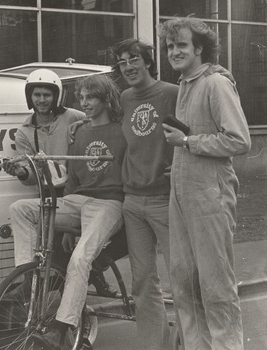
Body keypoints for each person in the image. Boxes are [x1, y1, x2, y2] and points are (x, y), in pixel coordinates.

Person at [10, 74, 126, 350]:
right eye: (82, 98)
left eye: (91, 98)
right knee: (21, 209)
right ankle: (27, 277)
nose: (84, 103)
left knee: (79, 259)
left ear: (106, 98)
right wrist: (63, 225)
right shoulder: (79, 130)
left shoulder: (120, 130)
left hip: (109, 203)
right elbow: (71, 180)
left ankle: (61, 329)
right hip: (76, 199)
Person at [159, 17, 251, 350]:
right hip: (183, 195)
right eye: (170, 46)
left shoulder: (215, 83)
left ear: (199, 48)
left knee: (216, 286)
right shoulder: (185, 83)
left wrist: (188, 143)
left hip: (211, 196)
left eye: (182, 45)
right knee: (183, 284)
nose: (174, 51)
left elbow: (239, 141)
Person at [109, 38, 179, 350]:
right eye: (122, 62)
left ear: (148, 62)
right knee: (143, 282)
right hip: (132, 201)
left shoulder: (170, 93)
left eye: (134, 59)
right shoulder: (124, 98)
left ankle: (189, 341)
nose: (128, 67)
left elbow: (190, 134)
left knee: (182, 278)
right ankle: (156, 346)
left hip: (165, 199)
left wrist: (178, 168)